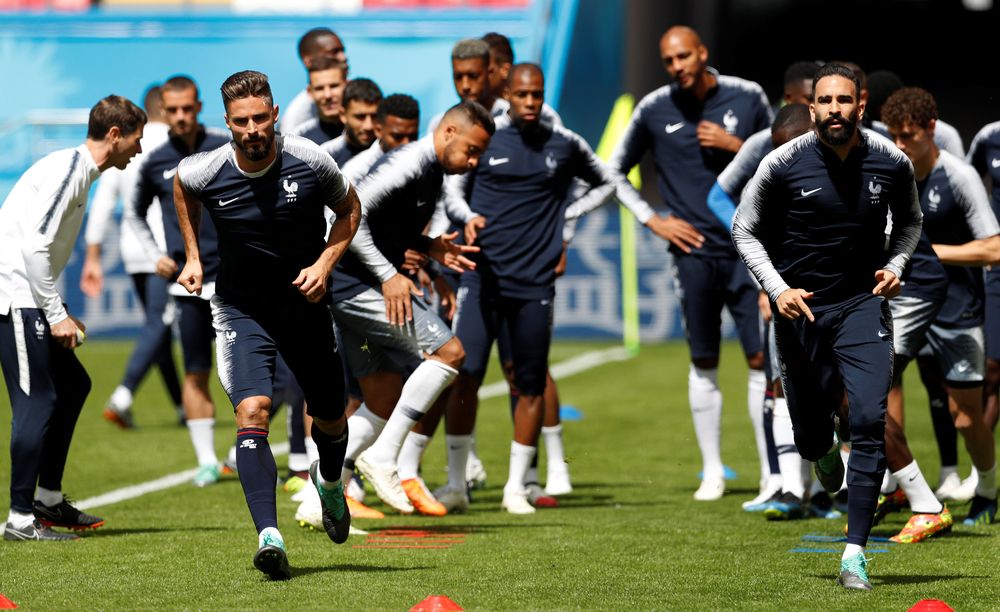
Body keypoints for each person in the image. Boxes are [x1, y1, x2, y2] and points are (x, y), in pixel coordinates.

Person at [732, 63, 923, 590]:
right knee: (811, 435)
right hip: (801, 313)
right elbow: (744, 230)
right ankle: (819, 454)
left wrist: (897, 265)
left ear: (861, 106)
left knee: (867, 419)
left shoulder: (891, 162)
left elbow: (910, 223)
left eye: (845, 100)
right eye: (825, 101)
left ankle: (855, 552)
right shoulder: (781, 163)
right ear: (811, 107)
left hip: (862, 305)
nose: (835, 109)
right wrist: (778, 290)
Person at [174, 70, 361, 579]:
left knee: (330, 418)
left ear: (275, 116)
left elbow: (350, 210)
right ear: (228, 124)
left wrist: (324, 265)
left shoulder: (310, 160)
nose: (252, 128)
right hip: (240, 308)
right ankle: (268, 535)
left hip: (303, 305)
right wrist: (193, 256)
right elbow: (182, 187)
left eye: (260, 118)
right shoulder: (206, 169)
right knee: (253, 410)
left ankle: (327, 481)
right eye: (241, 121)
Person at [439, 64, 630, 514]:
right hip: (481, 274)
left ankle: (516, 486)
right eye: (522, 94)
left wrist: (564, 219)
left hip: (534, 281)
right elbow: (453, 190)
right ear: (507, 92)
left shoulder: (564, 142)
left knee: (527, 381)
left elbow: (609, 182)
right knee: (464, 373)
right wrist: (467, 218)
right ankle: (454, 483)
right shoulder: (487, 137)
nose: (530, 102)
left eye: (537, 95)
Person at [609, 25, 773, 501]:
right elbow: (613, 171)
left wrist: (734, 147)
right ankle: (712, 472)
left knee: (762, 358)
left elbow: (783, 152)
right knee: (704, 359)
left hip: (749, 248)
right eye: (668, 60)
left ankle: (771, 474)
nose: (677, 66)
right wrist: (652, 220)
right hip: (692, 252)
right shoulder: (654, 108)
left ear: (703, 53)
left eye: (684, 56)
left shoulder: (747, 97)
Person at [330, 101, 493, 517]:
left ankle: (322, 495)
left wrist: (428, 246)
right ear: (449, 133)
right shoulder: (409, 163)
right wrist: (388, 275)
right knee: (450, 352)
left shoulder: (433, 170)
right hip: (353, 284)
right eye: (471, 151)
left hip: (354, 283)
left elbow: (390, 227)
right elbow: (352, 216)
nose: (473, 162)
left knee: (383, 395)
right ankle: (385, 458)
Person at [1, 95, 146, 541]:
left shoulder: (79, 174)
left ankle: (47, 499)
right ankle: (21, 519)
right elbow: (32, 248)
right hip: (14, 298)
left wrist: (59, 312)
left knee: (74, 385)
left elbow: (38, 245)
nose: (138, 151)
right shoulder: (70, 170)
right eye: (135, 141)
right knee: (37, 401)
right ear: (115, 135)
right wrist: (55, 312)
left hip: (29, 298)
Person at [880, 87, 998, 531]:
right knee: (869, 389)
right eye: (894, 135)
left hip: (957, 308)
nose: (900, 145)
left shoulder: (959, 176)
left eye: (908, 135)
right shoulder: (891, 175)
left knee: (964, 416)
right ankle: (899, 487)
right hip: (906, 301)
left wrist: (928, 253)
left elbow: (995, 247)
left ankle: (987, 487)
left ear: (931, 130)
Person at [707, 103, 817, 517]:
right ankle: (789, 487)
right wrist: (768, 286)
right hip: (783, 297)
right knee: (780, 384)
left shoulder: (853, 164)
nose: (780, 159)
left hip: (840, 299)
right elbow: (743, 228)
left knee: (841, 393)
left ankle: (835, 487)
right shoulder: (768, 178)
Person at [125, 76, 231, 487]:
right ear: (164, 111)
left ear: (199, 105)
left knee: (257, 374)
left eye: (188, 108)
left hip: (233, 282)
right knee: (196, 373)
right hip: (186, 286)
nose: (182, 116)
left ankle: (245, 450)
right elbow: (133, 213)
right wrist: (156, 257)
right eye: (174, 110)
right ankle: (206, 460)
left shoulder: (225, 144)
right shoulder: (153, 161)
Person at [81, 85, 184, 428]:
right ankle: (123, 395)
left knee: (160, 327)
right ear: (167, 109)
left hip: (132, 247)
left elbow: (104, 201)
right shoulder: (176, 144)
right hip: (165, 250)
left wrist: (92, 256)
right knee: (160, 322)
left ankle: (183, 406)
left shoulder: (128, 140)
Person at [968, 119, 1000, 439]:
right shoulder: (989, 136)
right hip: (997, 267)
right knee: (991, 370)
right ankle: (984, 473)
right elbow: (969, 182)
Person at [279, 27, 348, 135]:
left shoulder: (357, 93)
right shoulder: (296, 118)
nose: (343, 57)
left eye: (342, 50)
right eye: (334, 52)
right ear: (308, 61)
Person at [321, 78, 382, 167]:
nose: (368, 126)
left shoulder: (392, 151)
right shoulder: (325, 157)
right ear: (343, 115)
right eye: (360, 117)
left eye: (374, 116)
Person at [290, 55, 347, 145]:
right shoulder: (301, 142)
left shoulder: (369, 129)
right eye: (319, 88)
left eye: (334, 86)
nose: (328, 95)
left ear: (347, 85)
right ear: (310, 92)